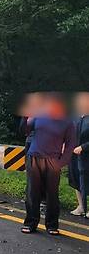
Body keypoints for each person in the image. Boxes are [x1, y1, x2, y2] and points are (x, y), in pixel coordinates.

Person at [21, 93, 75, 235]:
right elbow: (24, 130)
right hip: (34, 157)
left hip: (53, 160)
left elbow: (70, 145)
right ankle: (31, 223)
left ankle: (52, 225)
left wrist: (61, 162)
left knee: (52, 194)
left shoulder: (68, 122)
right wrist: (26, 117)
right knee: (32, 192)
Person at [69, 92, 89, 218]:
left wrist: (83, 147)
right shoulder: (75, 117)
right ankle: (81, 206)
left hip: (87, 155)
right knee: (76, 180)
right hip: (74, 155)